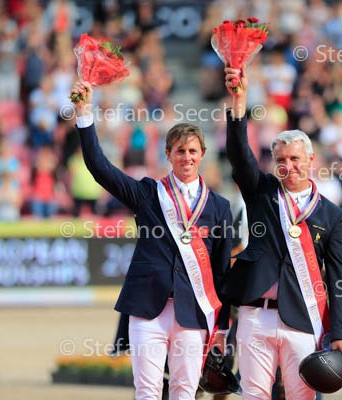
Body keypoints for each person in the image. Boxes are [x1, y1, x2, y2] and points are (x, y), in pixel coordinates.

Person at [70, 81, 232, 400]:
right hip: (148, 309)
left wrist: (222, 327)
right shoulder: (147, 194)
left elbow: (221, 271)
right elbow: (99, 167)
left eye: (192, 151)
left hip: (194, 311)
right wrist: (84, 113)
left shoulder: (219, 207)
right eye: (180, 151)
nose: (186, 157)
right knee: (147, 391)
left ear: (202, 155)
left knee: (185, 391)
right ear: (168, 154)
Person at [222, 67, 342, 400]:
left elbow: (338, 279)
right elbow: (239, 156)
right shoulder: (262, 191)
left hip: (303, 318)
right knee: (253, 395)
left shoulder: (331, 214)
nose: (288, 166)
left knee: (301, 396)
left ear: (310, 159)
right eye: (281, 159)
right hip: (255, 314)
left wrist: (341, 334)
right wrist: (239, 103)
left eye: (295, 158)